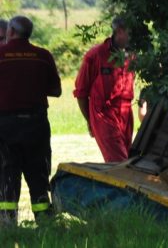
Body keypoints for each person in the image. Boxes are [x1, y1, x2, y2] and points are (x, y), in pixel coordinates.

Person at [0, 16, 61, 225]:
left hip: (5, 126)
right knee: (38, 174)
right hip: (36, 126)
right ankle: (45, 222)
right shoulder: (43, 56)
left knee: (7, 173)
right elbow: (56, 90)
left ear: (10, 32)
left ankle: (7, 224)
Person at [74, 17, 135, 162]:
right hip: (103, 114)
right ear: (119, 32)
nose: (134, 37)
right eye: (131, 32)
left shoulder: (133, 55)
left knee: (128, 160)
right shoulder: (95, 55)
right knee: (119, 163)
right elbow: (81, 92)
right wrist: (90, 121)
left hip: (126, 113)